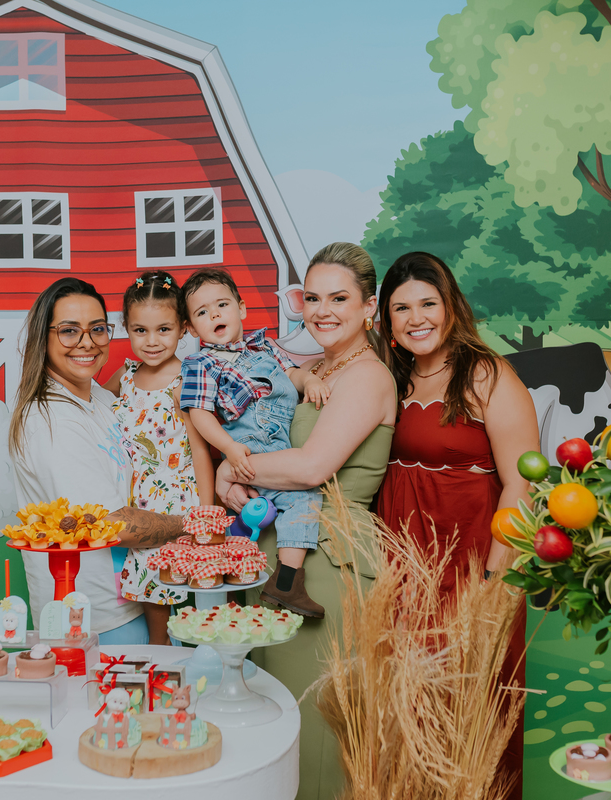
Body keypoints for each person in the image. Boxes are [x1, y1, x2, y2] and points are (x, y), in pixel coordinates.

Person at [214, 243, 396, 800]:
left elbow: (314, 465)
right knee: (266, 718)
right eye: (312, 297)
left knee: (310, 723)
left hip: (329, 559)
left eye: (339, 298)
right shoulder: (311, 368)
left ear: (369, 307)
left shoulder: (366, 376)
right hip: (276, 548)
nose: (322, 310)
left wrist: (231, 464)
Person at [374, 251, 540, 799]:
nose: (416, 317)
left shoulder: (486, 373)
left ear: (451, 308)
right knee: (405, 701)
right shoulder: (389, 375)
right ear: (387, 319)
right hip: (401, 565)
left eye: (428, 303)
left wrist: (492, 583)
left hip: (470, 564)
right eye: (402, 308)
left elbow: (522, 483)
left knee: (471, 703)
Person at [8, 277, 191, 645]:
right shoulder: (51, 421)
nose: (86, 342)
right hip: (94, 619)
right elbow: (113, 525)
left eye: (97, 329)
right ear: (43, 337)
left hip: (137, 594)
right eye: (69, 331)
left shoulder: (104, 400)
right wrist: (196, 522)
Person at [178, 268, 329, 617]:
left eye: (221, 304)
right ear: (190, 328)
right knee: (304, 496)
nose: (214, 314)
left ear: (241, 309)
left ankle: (248, 539)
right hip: (251, 444)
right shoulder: (200, 364)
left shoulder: (264, 346)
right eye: (202, 312)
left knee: (288, 494)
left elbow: (291, 373)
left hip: (282, 441)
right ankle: (287, 582)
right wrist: (229, 451)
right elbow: (199, 414)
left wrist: (309, 381)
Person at [102, 271, 212, 645]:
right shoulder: (125, 377)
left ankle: (198, 656)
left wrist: (206, 516)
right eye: (140, 330)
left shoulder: (186, 380)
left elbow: (200, 449)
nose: (151, 341)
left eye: (163, 330)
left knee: (186, 578)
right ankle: (159, 649)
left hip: (177, 498)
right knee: (150, 581)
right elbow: (94, 413)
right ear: (126, 328)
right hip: (136, 498)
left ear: (183, 328)